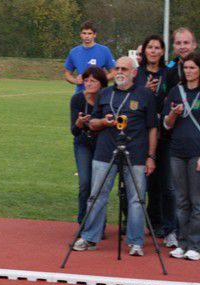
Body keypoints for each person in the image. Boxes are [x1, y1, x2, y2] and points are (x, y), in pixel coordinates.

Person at [74, 56, 158, 256]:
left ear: (134, 73)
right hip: (105, 151)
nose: (120, 72)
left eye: (124, 69)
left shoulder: (145, 95)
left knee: (137, 199)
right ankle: (89, 237)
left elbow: (153, 128)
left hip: (136, 153)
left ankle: (136, 242)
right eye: (117, 68)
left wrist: (151, 156)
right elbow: (92, 124)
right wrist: (104, 122)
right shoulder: (104, 93)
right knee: (96, 195)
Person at [136, 35, 178, 248]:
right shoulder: (138, 73)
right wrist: (145, 91)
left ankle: (171, 228)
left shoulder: (168, 72)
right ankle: (154, 225)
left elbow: (171, 96)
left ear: (162, 51)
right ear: (144, 51)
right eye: (149, 47)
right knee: (148, 184)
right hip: (142, 135)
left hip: (165, 134)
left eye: (157, 47)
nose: (153, 51)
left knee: (168, 185)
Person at [163, 51, 200, 261]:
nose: (189, 71)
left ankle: (195, 244)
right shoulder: (177, 91)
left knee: (197, 201)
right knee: (181, 200)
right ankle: (182, 241)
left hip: (197, 152)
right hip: (177, 151)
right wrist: (173, 114)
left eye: (193, 68)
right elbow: (167, 125)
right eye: (186, 68)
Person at [70, 66, 108, 224]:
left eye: (93, 80)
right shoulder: (77, 99)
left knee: (99, 186)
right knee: (85, 183)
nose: (88, 83)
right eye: (86, 80)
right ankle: (83, 223)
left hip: (102, 145)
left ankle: (99, 224)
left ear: (102, 83)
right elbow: (74, 131)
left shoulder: (107, 98)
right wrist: (79, 123)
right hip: (83, 143)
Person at [64, 21, 116, 93]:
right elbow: (67, 74)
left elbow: (114, 72)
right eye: (84, 33)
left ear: (94, 35)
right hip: (81, 94)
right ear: (80, 35)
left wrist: (99, 80)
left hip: (100, 94)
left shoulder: (104, 50)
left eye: (89, 33)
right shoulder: (74, 52)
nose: (86, 36)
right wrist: (75, 81)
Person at [165, 28, 198, 96]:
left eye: (186, 43)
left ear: (194, 45)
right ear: (174, 46)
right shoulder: (169, 68)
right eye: (178, 43)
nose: (182, 47)